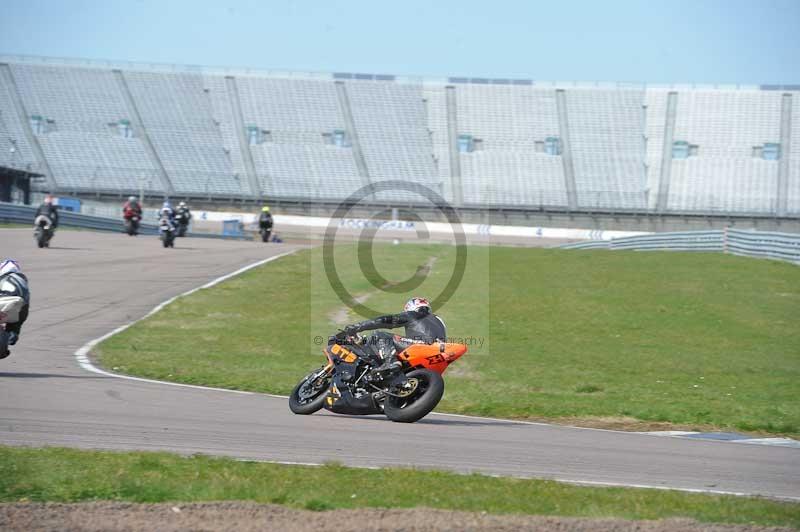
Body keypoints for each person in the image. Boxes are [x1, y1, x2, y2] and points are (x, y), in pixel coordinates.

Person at [338, 297, 446, 378]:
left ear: (411, 308)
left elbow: (384, 321)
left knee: (380, 335)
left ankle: (390, 361)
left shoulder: (412, 314)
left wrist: (357, 327)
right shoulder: (438, 320)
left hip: (421, 346)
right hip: (438, 354)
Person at [0, 259, 30, 359]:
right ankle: (11, 335)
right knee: (17, 319)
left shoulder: (3, 277)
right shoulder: (22, 280)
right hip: (16, 305)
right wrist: (15, 332)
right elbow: (24, 309)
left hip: (8, 304)